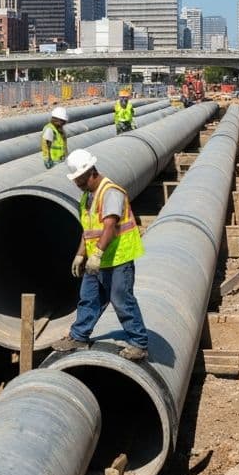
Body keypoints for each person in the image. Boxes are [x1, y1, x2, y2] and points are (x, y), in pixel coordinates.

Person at [51, 149, 149, 361]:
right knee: (89, 297)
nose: (78, 184)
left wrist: (96, 254)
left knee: (121, 299)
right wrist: (80, 255)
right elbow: (88, 230)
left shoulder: (110, 192)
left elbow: (110, 227)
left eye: (80, 180)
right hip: (99, 259)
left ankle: (139, 343)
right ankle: (78, 336)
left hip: (117, 258)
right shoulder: (88, 195)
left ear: (91, 173)